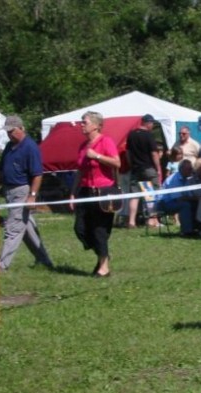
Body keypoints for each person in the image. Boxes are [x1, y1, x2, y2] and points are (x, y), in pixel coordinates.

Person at [0, 115, 54, 272]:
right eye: (7, 132)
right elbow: (2, 171)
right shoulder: (9, 147)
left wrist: (32, 195)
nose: (9, 134)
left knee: (13, 227)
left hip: (22, 190)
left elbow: (37, 174)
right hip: (8, 191)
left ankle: (1, 264)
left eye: (12, 131)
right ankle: (44, 260)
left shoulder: (30, 147)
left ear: (20, 128)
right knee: (26, 227)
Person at [69, 111, 121, 277]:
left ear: (96, 125)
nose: (81, 125)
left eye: (84, 122)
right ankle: (102, 256)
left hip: (103, 191)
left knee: (99, 230)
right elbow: (80, 172)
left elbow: (117, 163)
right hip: (85, 191)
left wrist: (97, 156)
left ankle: (104, 267)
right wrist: (73, 193)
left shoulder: (106, 141)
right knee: (81, 229)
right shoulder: (82, 147)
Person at [126, 114, 162, 228]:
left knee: (134, 195)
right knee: (151, 194)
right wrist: (158, 168)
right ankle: (151, 220)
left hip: (136, 169)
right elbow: (154, 154)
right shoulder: (148, 136)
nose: (152, 126)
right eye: (152, 123)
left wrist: (131, 164)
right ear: (148, 123)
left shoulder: (131, 134)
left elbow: (127, 153)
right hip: (148, 168)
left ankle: (131, 221)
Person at [155, 159, 196, 236]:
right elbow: (178, 198)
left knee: (194, 204)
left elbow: (189, 194)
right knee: (185, 205)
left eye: (191, 168)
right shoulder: (174, 180)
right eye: (189, 169)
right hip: (163, 203)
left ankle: (195, 228)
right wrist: (194, 198)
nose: (191, 171)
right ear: (182, 169)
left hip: (173, 201)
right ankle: (186, 231)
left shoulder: (186, 179)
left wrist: (195, 198)